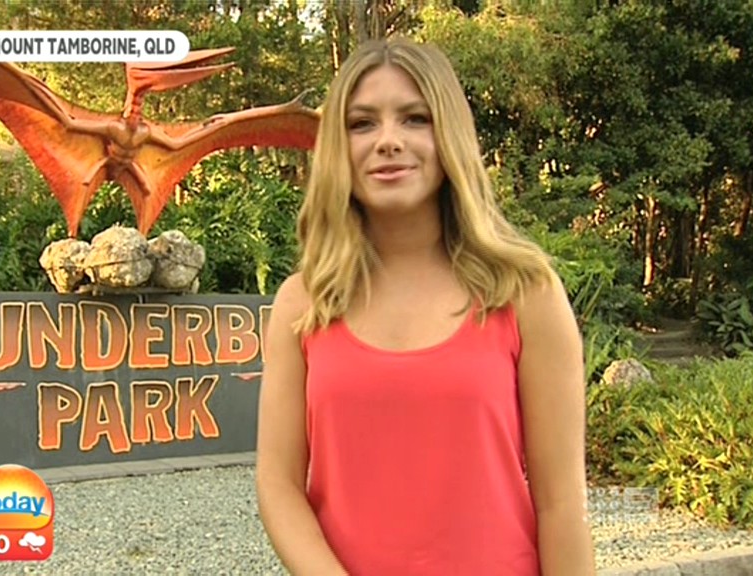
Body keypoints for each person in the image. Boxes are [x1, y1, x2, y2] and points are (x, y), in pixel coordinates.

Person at [255, 37, 596, 575]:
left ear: (449, 134)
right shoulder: (304, 303)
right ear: (337, 146)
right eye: (362, 123)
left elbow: (561, 504)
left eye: (415, 118)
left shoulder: (525, 292)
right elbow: (277, 484)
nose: (388, 141)